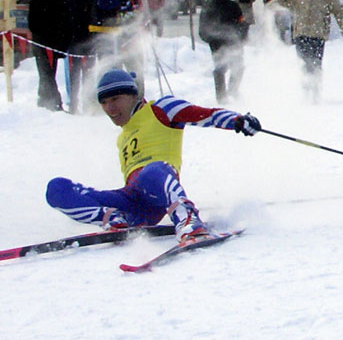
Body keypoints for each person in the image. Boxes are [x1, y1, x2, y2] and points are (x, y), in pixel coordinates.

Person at [45, 69, 262, 246]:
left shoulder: (161, 109)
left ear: (133, 96)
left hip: (157, 188)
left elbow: (207, 115)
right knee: (57, 188)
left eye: (115, 99)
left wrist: (238, 120)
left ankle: (188, 219)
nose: (110, 108)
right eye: (104, 103)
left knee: (151, 171)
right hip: (133, 204)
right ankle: (113, 220)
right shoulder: (123, 137)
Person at [266, 0, 343, 99]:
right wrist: (270, 7)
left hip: (318, 34)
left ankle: (315, 91)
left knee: (316, 63)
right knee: (304, 62)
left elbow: (338, 10)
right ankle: (306, 91)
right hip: (301, 33)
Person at [89, 0, 142, 92]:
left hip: (113, 30)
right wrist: (120, 1)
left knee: (116, 63)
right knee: (108, 64)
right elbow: (103, 3)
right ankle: (105, 93)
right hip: (104, 30)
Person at [28, 0, 72, 111]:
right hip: (42, 45)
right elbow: (34, 25)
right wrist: (47, 37)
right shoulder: (37, 1)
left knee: (49, 73)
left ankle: (43, 101)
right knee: (46, 74)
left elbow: (66, 22)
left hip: (56, 44)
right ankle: (54, 103)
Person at [199, 0, 249, 103]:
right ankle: (221, 97)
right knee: (220, 70)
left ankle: (233, 90)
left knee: (238, 67)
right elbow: (202, 29)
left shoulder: (232, 5)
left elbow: (242, 23)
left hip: (234, 42)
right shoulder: (207, 8)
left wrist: (240, 36)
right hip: (217, 45)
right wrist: (211, 39)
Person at [60, 0, 97, 113]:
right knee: (73, 74)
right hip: (72, 39)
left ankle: (89, 103)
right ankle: (73, 104)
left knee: (89, 73)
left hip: (89, 38)